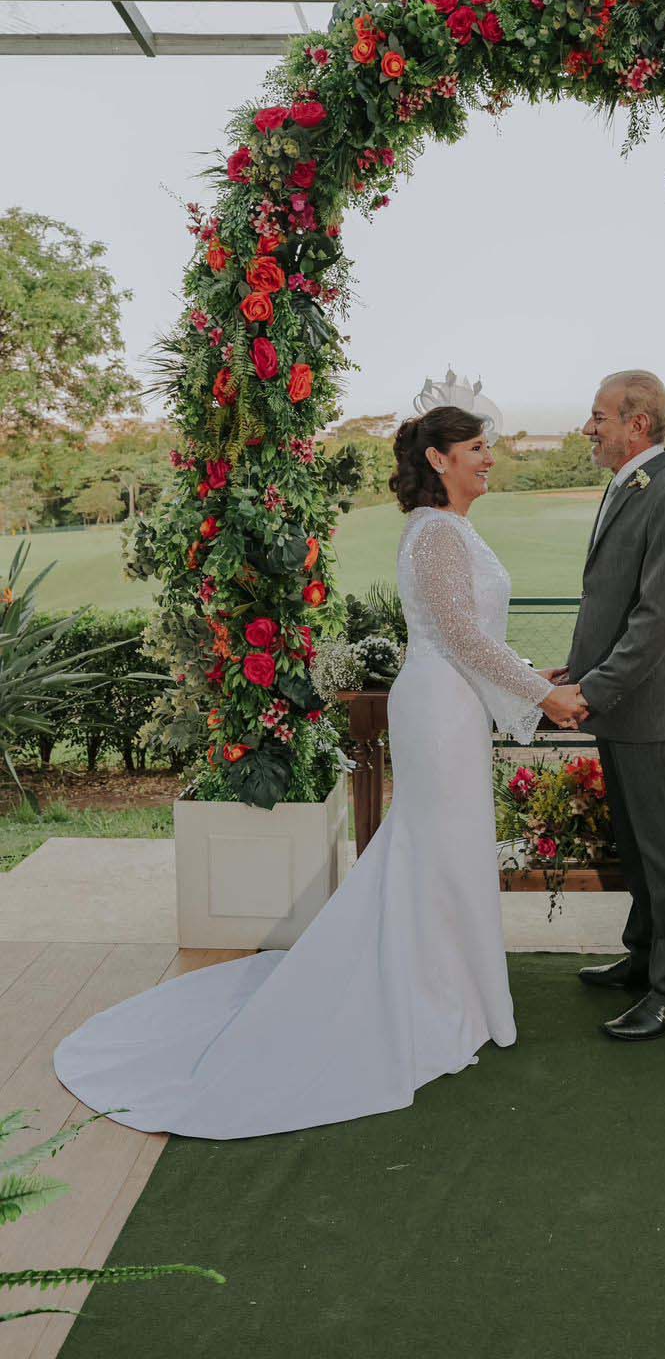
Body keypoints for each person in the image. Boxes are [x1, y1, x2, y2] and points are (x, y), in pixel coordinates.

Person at [52, 407, 587, 1139]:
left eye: (485, 447)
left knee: (447, 852)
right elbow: (457, 636)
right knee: (436, 850)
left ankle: (452, 989)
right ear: (438, 460)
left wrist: (529, 670)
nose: (488, 458)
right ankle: (428, 997)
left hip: (456, 707)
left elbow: (471, 633)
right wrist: (542, 694)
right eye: (475, 448)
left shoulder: (453, 531)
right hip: (437, 709)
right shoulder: (433, 532)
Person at [546, 371, 665, 1043]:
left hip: (652, 712)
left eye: (599, 417)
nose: (589, 428)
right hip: (623, 707)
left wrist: (589, 692)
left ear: (637, 424)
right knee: (640, 851)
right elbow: (610, 600)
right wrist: (577, 671)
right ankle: (645, 960)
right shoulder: (635, 485)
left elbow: (659, 623)